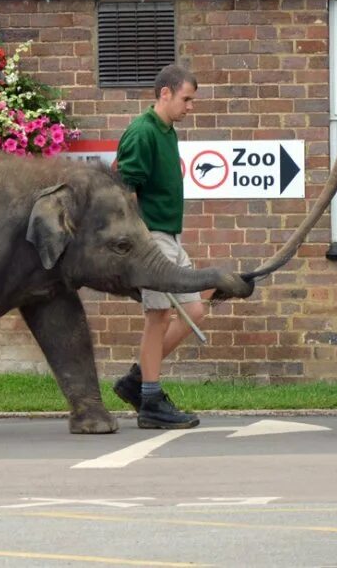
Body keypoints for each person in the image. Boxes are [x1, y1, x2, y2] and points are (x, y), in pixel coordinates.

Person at [113, 64, 205, 429]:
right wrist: (138, 242)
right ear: (164, 93)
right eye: (186, 99)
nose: (190, 107)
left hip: (171, 236)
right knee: (159, 317)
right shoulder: (142, 133)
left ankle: (137, 380)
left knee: (194, 309)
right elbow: (122, 188)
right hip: (151, 239)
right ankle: (150, 400)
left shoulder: (168, 132)